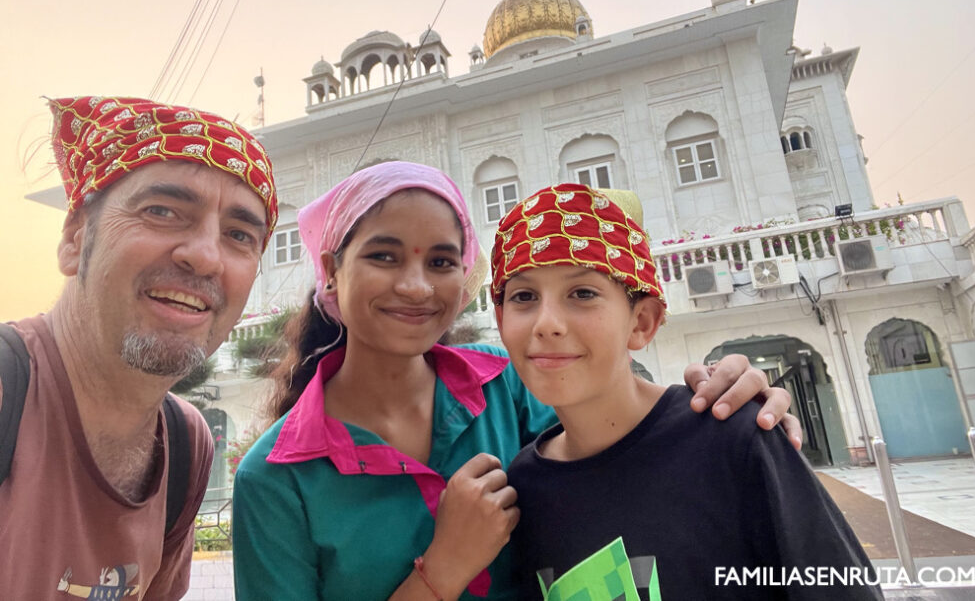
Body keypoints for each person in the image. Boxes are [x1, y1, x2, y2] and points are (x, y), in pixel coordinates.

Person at [231, 161, 801, 601]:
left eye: (441, 262)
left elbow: (628, 449)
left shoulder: (510, 385)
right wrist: (446, 566)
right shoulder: (277, 477)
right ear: (331, 271)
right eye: (384, 256)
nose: (415, 287)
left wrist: (721, 416)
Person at [495, 184, 881, 600]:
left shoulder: (731, 439)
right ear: (501, 322)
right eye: (524, 296)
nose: (546, 323)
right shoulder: (522, 489)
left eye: (583, 293)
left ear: (642, 321)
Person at [0, 96, 278, 600]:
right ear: (75, 237)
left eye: (239, 234)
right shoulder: (7, 395)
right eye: (162, 211)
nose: (205, 257)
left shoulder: (185, 442)